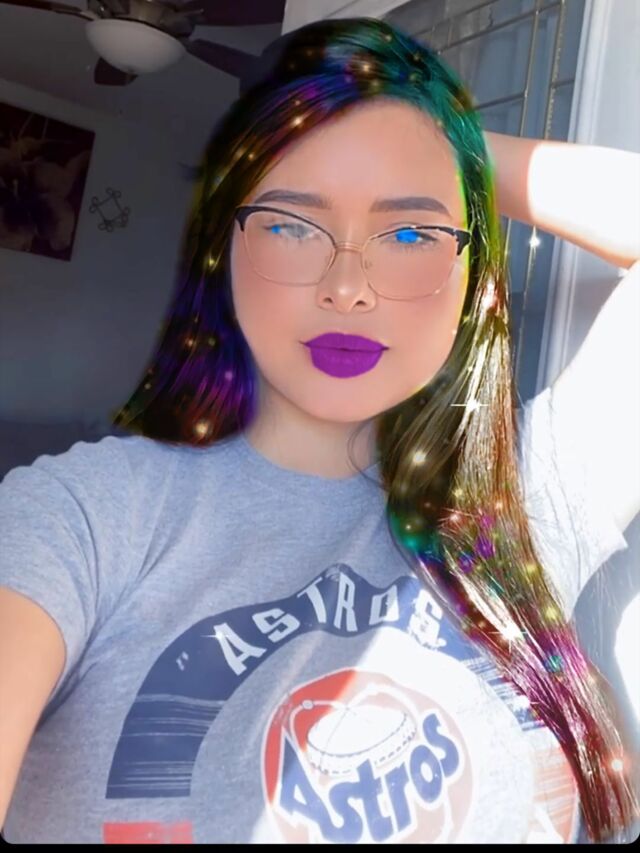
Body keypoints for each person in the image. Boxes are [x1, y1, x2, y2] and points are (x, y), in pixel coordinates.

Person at [0, 16, 639, 845]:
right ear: (224, 254)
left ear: (471, 277)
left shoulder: (523, 499)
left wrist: (439, 141)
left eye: (408, 232)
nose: (348, 287)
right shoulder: (84, 515)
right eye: (294, 225)